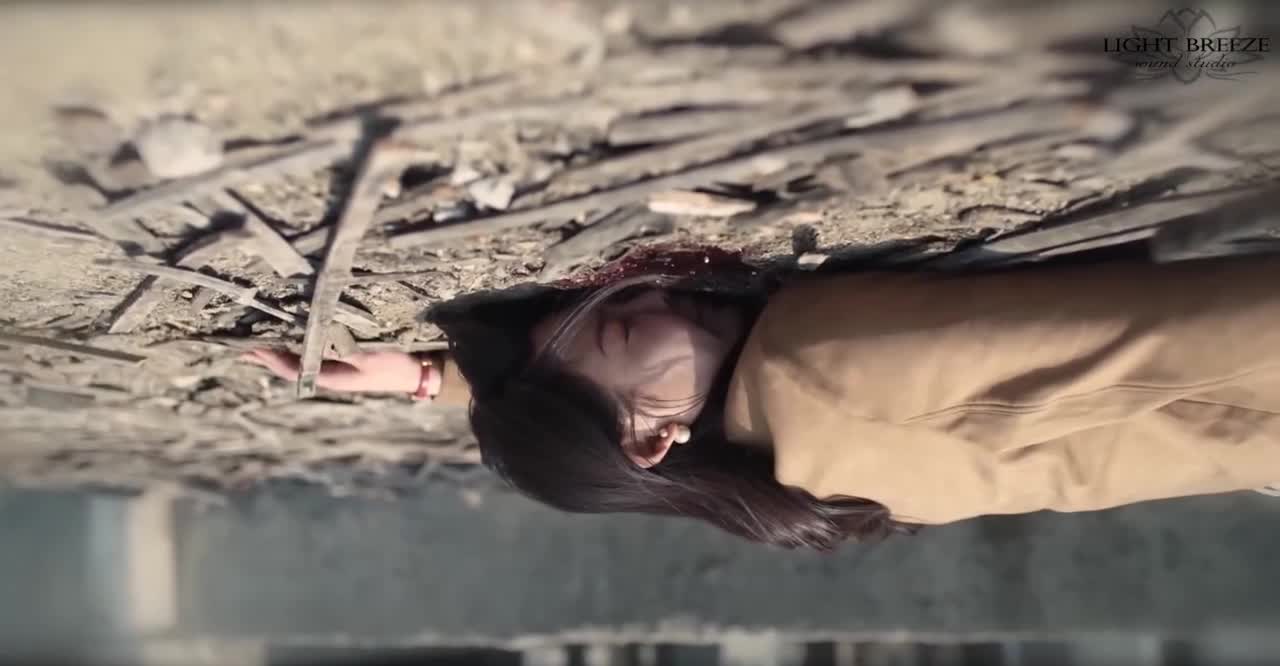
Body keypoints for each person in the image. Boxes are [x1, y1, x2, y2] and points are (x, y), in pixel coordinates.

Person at [244, 254, 1280, 551]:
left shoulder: (800, 473)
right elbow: (1165, 338)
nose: (652, 299)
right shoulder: (817, 358)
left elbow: (594, 419)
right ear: (653, 440)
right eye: (620, 326)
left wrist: (433, 378)